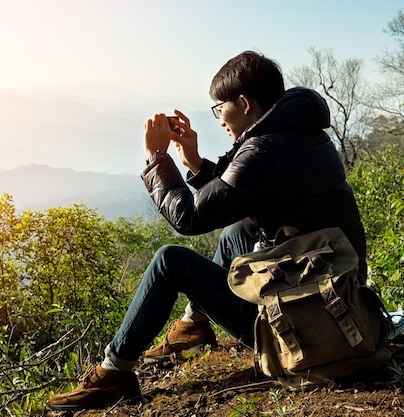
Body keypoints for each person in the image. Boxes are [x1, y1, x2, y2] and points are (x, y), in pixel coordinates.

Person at [47, 50, 367, 410]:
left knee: (169, 262)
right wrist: (194, 161)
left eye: (220, 108)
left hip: (307, 322)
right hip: (337, 293)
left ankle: (113, 372)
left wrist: (157, 159)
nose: (219, 119)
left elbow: (188, 218)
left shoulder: (264, 150)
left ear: (244, 103)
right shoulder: (299, 135)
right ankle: (193, 327)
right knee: (235, 233)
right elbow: (241, 193)